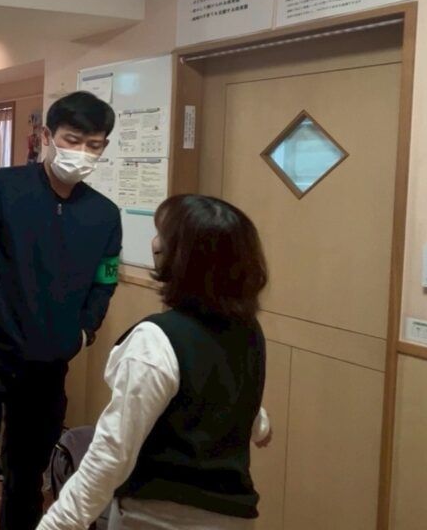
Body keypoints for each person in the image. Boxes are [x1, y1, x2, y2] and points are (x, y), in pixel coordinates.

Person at [0, 91, 123, 530]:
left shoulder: (104, 215)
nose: (82, 153)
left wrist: (85, 331)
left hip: (46, 370)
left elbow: (105, 281)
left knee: (26, 480)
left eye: (94, 145)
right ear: (48, 136)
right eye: (72, 140)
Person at [37, 194, 272, 530]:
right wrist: (260, 425)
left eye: (162, 235)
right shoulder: (248, 332)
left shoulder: (155, 340)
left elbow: (111, 455)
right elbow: (227, 394)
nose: (154, 244)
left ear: (182, 256)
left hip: (156, 519)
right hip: (234, 518)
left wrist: (55, 524)